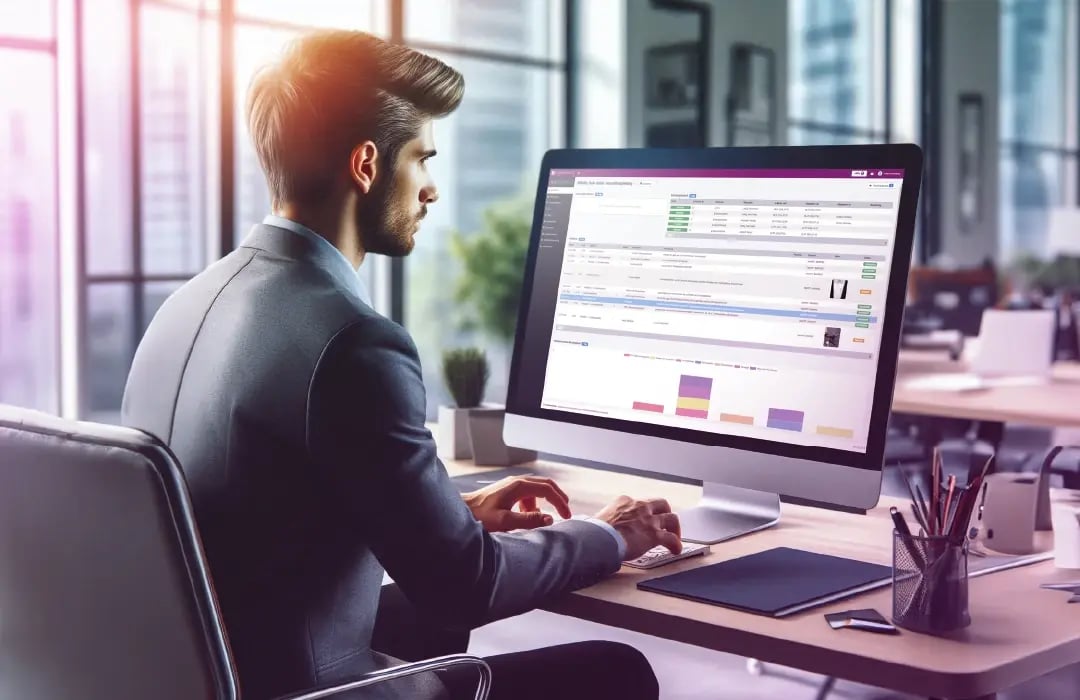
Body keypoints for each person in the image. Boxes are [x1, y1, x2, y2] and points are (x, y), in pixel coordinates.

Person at [121, 29, 682, 700]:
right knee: (616, 671)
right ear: (366, 165)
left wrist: (454, 512)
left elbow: (262, 509)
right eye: (421, 159)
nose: (431, 191)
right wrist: (607, 534)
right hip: (302, 686)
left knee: (428, 617)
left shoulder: (187, 303)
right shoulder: (353, 342)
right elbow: (468, 585)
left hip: (214, 667)